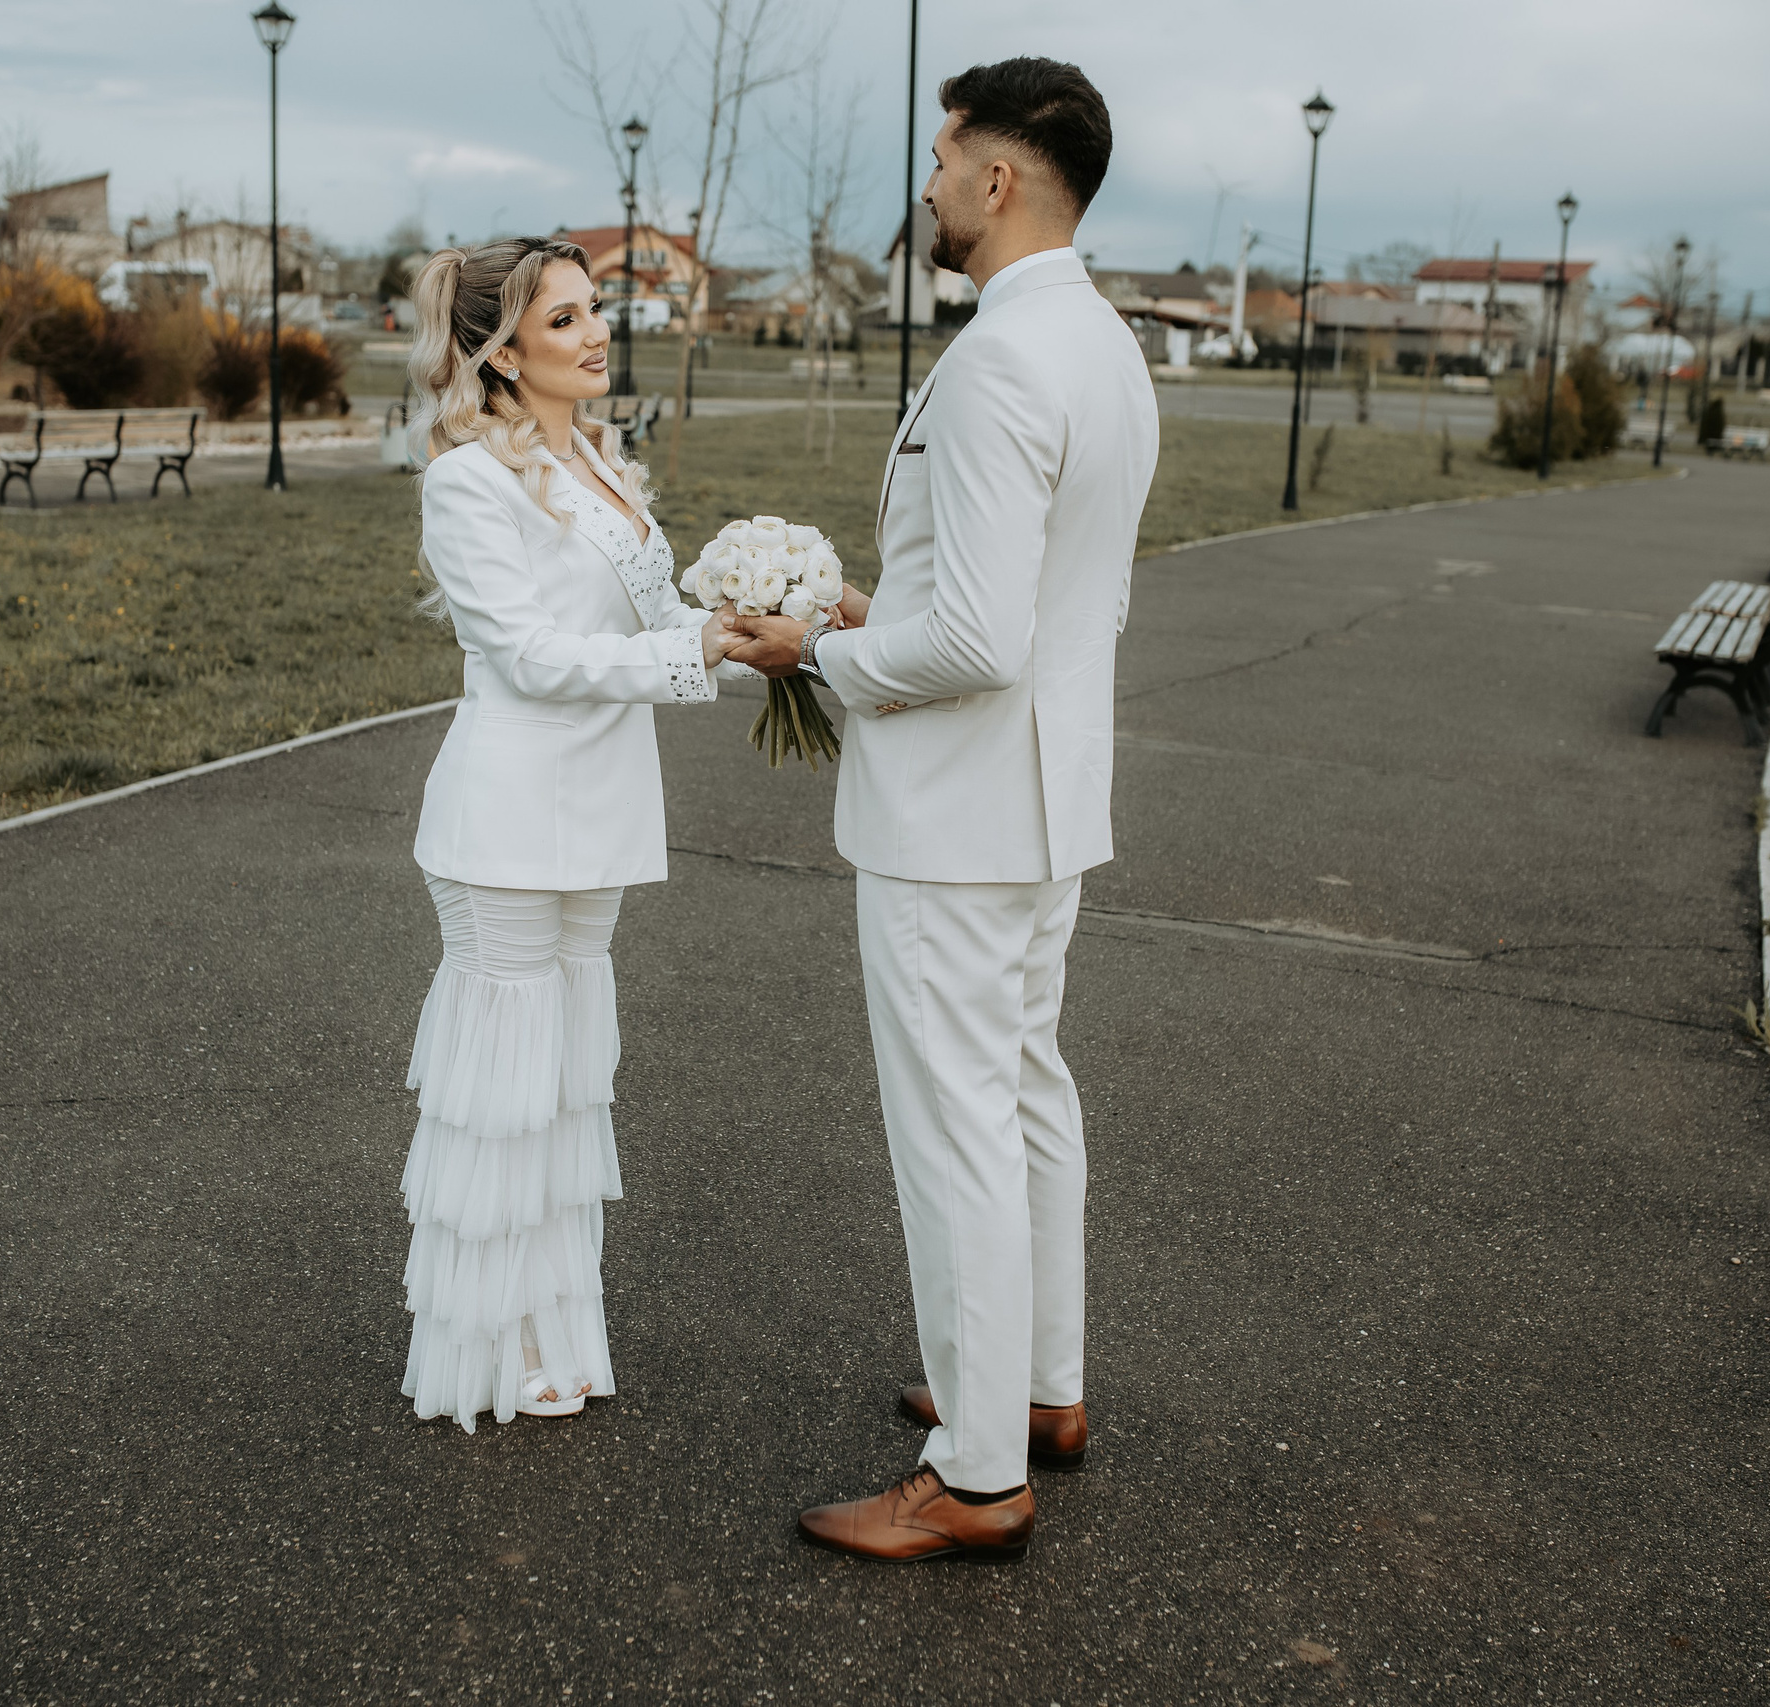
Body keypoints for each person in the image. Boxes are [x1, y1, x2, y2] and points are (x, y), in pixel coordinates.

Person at [724, 57, 1159, 1560]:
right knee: (1028, 1094)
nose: (927, 182)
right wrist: (874, 600)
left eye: (943, 154)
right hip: (1045, 804)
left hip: (956, 820)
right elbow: (1022, 603)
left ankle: (975, 1474)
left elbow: (972, 644)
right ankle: (1038, 1388)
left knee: (956, 1128)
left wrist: (816, 648)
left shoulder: (997, 363)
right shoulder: (1104, 346)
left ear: (999, 178)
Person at [399, 238, 742, 1431]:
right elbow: (530, 659)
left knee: (564, 1086)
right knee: (506, 1087)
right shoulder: (465, 484)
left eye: (595, 311)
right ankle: (488, 1348)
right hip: (506, 813)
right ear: (498, 352)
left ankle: (558, 1327)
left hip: (599, 806)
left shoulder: (600, 455)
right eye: (563, 321)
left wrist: (759, 614)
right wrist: (688, 650)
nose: (596, 333)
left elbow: (651, 619)